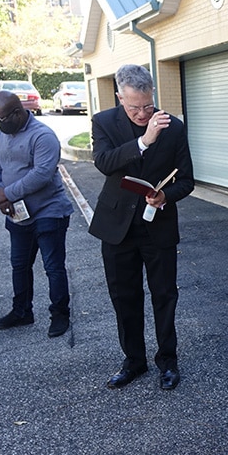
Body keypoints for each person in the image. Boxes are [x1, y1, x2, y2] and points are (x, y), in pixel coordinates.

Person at [89, 64, 194, 390]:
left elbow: (188, 180)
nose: (142, 112)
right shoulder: (104, 122)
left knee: (165, 296)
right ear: (120, 97)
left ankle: (168, 362)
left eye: (148, 106)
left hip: (158, 225)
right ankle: (133, 360)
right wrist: (144, 141)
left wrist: (165, 196)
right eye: (134, 106)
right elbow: (104, 163)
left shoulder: (173, 128)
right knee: (124, 297)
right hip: (117, 225)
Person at [0, 91, 72, 338]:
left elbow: (42, 175)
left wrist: (7, 194)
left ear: (16, 112)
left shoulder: (42, 136)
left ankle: (60, 315)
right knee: (19, 265)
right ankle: (22, 311)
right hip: (17, 213)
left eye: (1, 118)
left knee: (53, 267)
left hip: (49, 211)